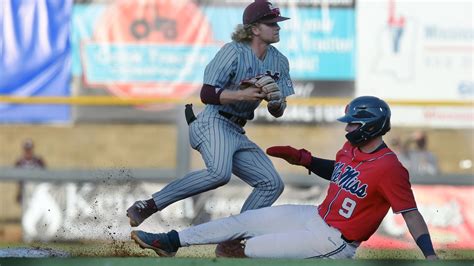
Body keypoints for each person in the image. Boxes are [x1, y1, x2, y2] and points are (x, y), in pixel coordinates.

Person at [129, 96, 438, 260]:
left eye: (353, 124)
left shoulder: (390, 168)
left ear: (371, 126)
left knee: (239, 250)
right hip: (314, 217)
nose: (347, 129)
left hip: (335, 242)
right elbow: (342, 173)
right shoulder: (351, 149)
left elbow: (410, 215)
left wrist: (430, 255)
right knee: (241, 224)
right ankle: (170, 241)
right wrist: (305, 159)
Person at [126, 0, 294, 256]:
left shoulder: (280, 62)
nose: (277, 27)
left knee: (272, 183)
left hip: (237, 130)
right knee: (219, 173)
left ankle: (231, 242)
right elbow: (206, 93)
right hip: (212, 120)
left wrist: (276, 102)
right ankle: (149, 204)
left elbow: (278, 112)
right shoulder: (233, 51)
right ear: (254, 29)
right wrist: (242, 96)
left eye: (278, 23)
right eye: (271, 23)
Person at [14, 139, 46, 203]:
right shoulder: (19, 162)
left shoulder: (39, 161)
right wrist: (19, 192)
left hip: (38, 190)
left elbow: (46, 175)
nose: (28, 151)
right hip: (24, 191)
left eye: (29, 149)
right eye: (26, 149)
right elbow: (18, 180)